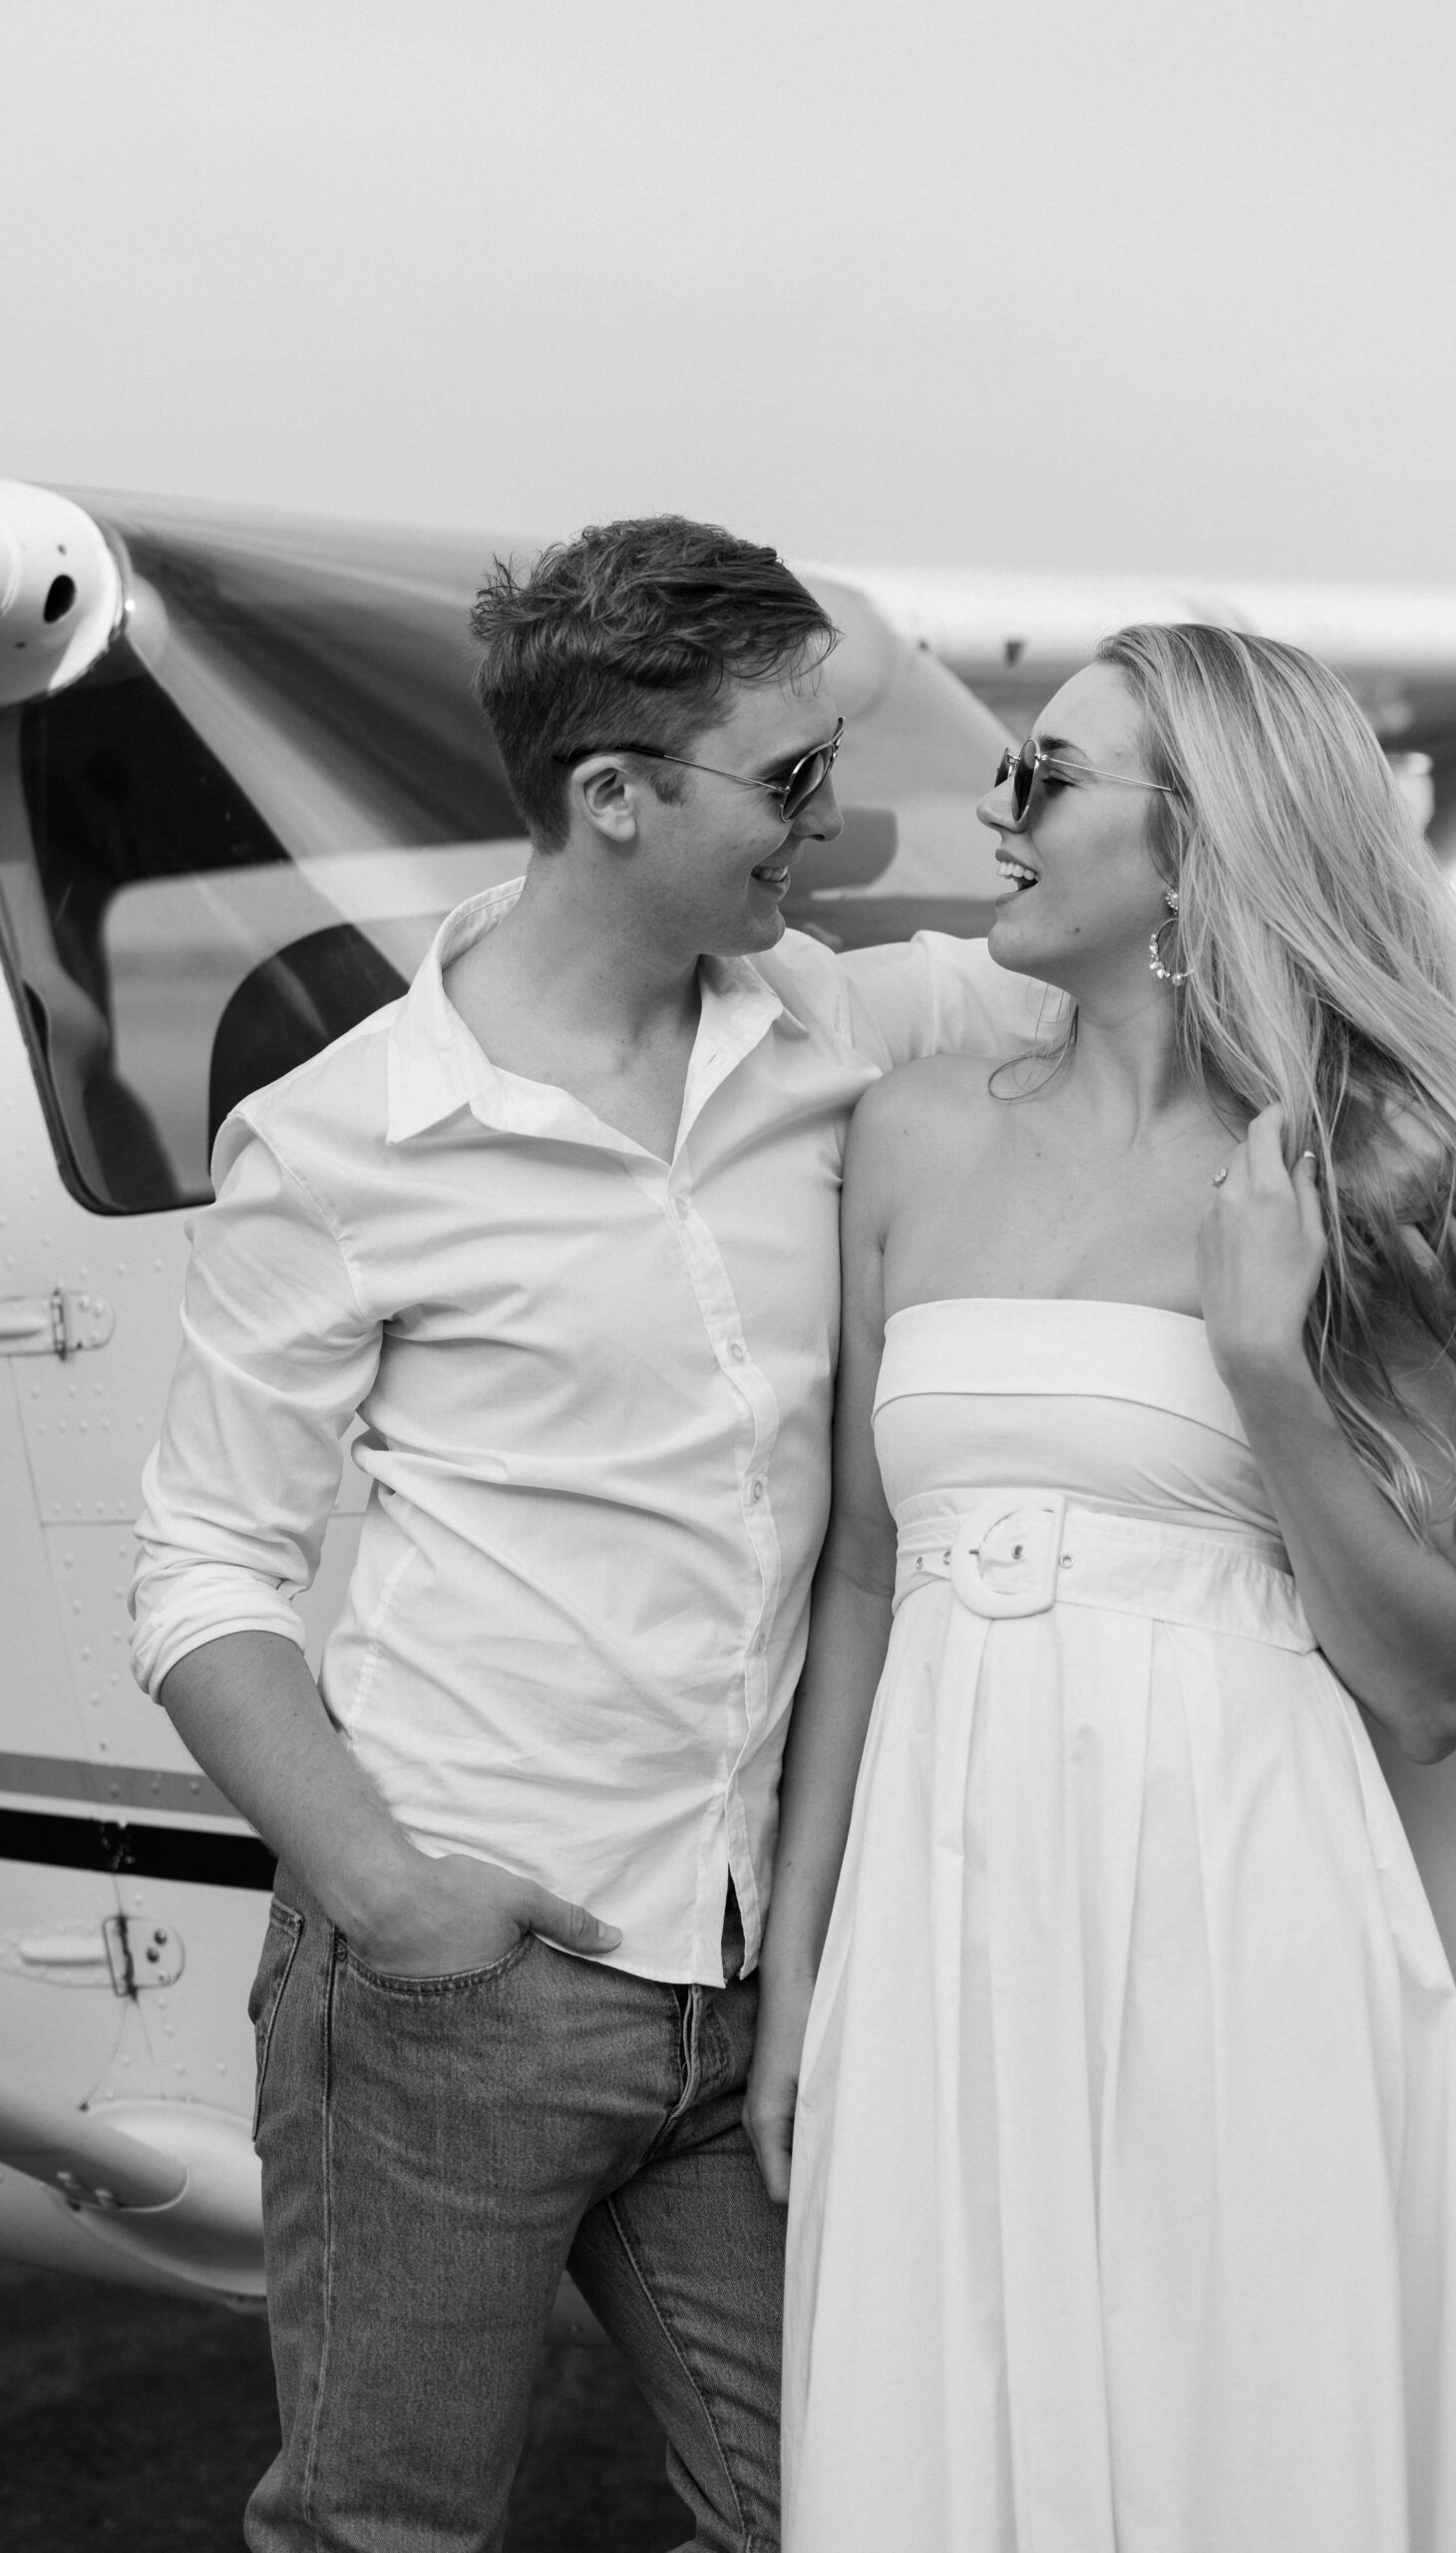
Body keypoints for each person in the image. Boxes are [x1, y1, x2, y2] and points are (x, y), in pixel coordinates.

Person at [128, 516, 1042, 2553]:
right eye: (795, 779)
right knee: (383, 2524)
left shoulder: (830, 1030)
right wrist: (380, 1887)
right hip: (460, 1982)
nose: (832, 825)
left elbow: (1122, 957)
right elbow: (201, 1569)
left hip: (752, 1985)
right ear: (609, 796)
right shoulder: (342, 1137)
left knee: (840, 2504)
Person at [747, 623, 1456, 2553]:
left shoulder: (1368, 1175)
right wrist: (801, 1970)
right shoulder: (906, 1139)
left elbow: (1436, 1682)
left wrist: (1269, 1374)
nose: (997, 810)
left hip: (1240, 1913)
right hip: (943, 1915)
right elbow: (865, 1586)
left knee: (1241, 2452)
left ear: (1202, 840)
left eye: (1045, 778)